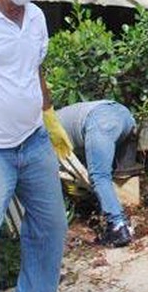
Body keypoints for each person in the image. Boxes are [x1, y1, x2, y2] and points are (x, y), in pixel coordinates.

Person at [0, 0, 70, 292]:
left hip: (33, 142)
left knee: (50, 228)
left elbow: (35, 68)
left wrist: (49, 117)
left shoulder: (35, 18)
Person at [57, 100, 136, 247]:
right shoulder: (57, 118)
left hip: (99, 119)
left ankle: (118, 226)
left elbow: (61, 170)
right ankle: (122, 220)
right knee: (104, 173)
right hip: (124, 115)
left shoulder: (44, 134)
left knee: (99, 176)